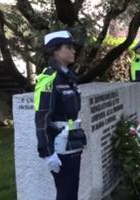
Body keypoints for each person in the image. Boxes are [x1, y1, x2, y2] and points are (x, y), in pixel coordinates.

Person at [34, 30, 87, 200]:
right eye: (68, 47)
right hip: (60, 146)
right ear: (55, 50)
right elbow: (42, 118)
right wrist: (48, 153)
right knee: (65, 194)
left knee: (71, 193)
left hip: (73, 142)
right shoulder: (50, 79)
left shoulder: (69, 78)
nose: (73, 51)